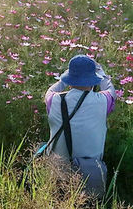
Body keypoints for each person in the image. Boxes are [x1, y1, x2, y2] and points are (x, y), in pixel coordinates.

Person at [43, 55, 116, 196]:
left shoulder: (54, 100)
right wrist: (103, 75)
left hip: (57, 173)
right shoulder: (102, 102)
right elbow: (111, 92)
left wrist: (63, 79)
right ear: (94, 81)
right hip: (88, 175)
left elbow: (49, 91)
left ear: (69, 81)